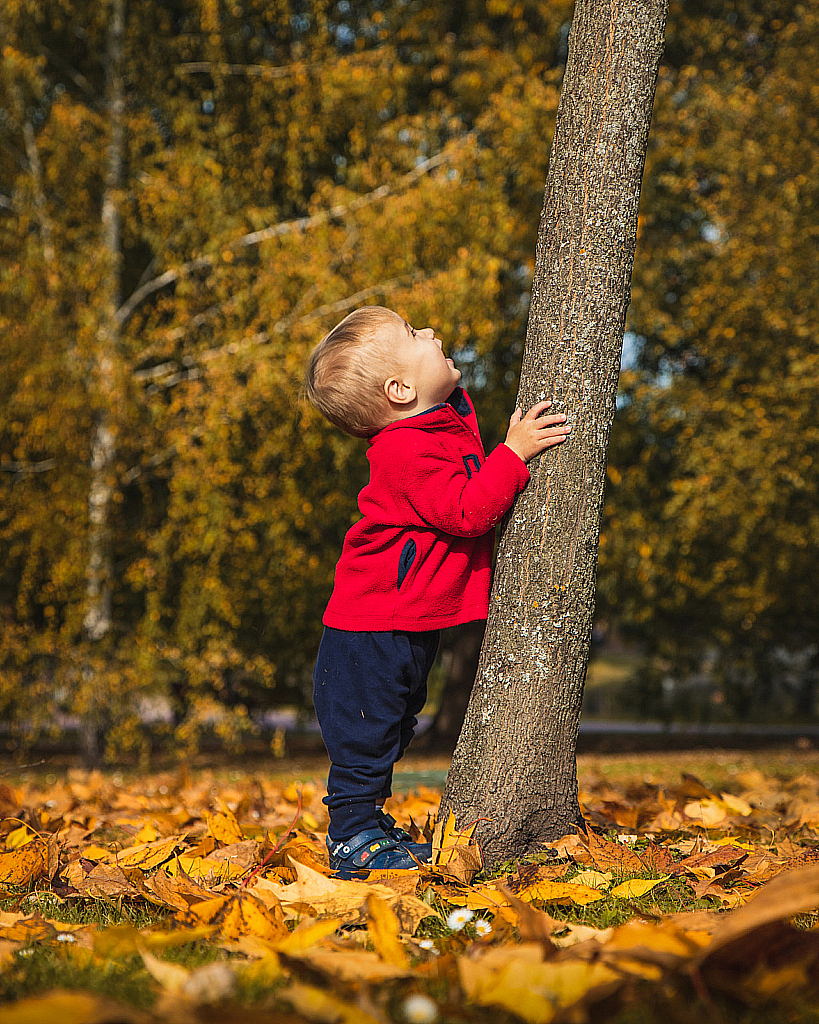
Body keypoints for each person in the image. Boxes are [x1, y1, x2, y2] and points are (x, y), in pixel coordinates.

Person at [303, 305, 571, 877]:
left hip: (400, 620)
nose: (428, 331)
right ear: (399, 389)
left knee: (393, 726)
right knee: (366, 737)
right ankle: (352, 835)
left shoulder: (430, 429)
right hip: (370, 626)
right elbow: (468, 510)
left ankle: (369, 827)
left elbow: (457, 429)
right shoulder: (404, 450)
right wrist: (515, 452)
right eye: (412, 334)